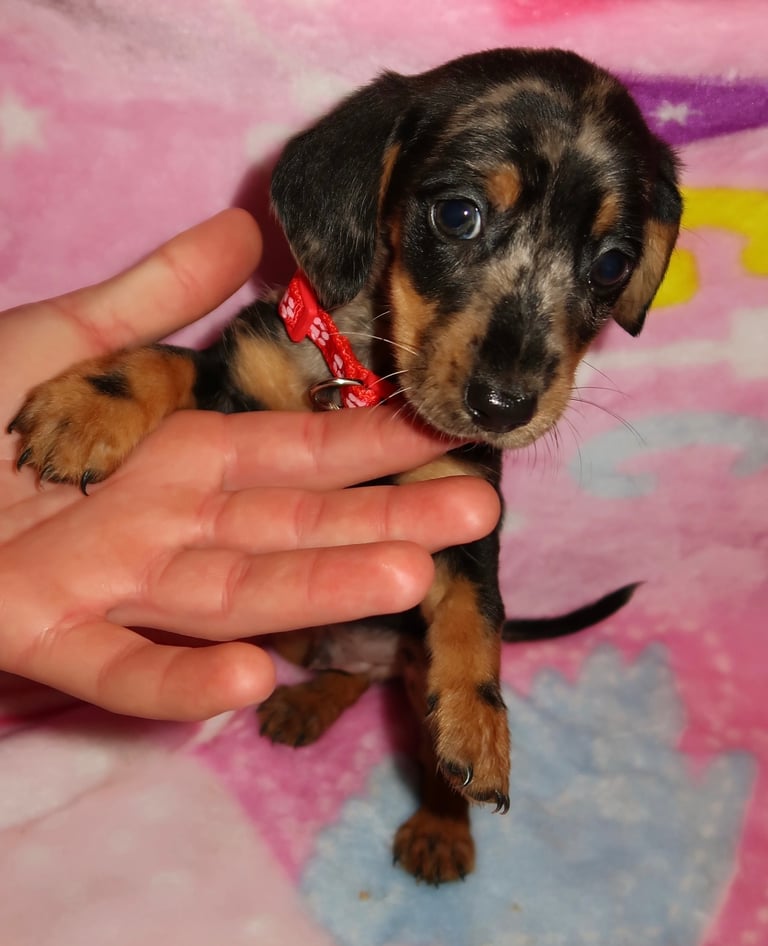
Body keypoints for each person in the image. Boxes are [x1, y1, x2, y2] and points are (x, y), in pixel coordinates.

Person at [0, 209, 500, 722]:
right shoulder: (287, 332)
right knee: (287, 635)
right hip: (282, 612)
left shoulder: (458, 416)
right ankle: (345, 680)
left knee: (443, 557)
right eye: (458, 218)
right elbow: (208, 382)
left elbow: (466, 567)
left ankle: (376, 713)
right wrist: (128, 388)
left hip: (385, 609)